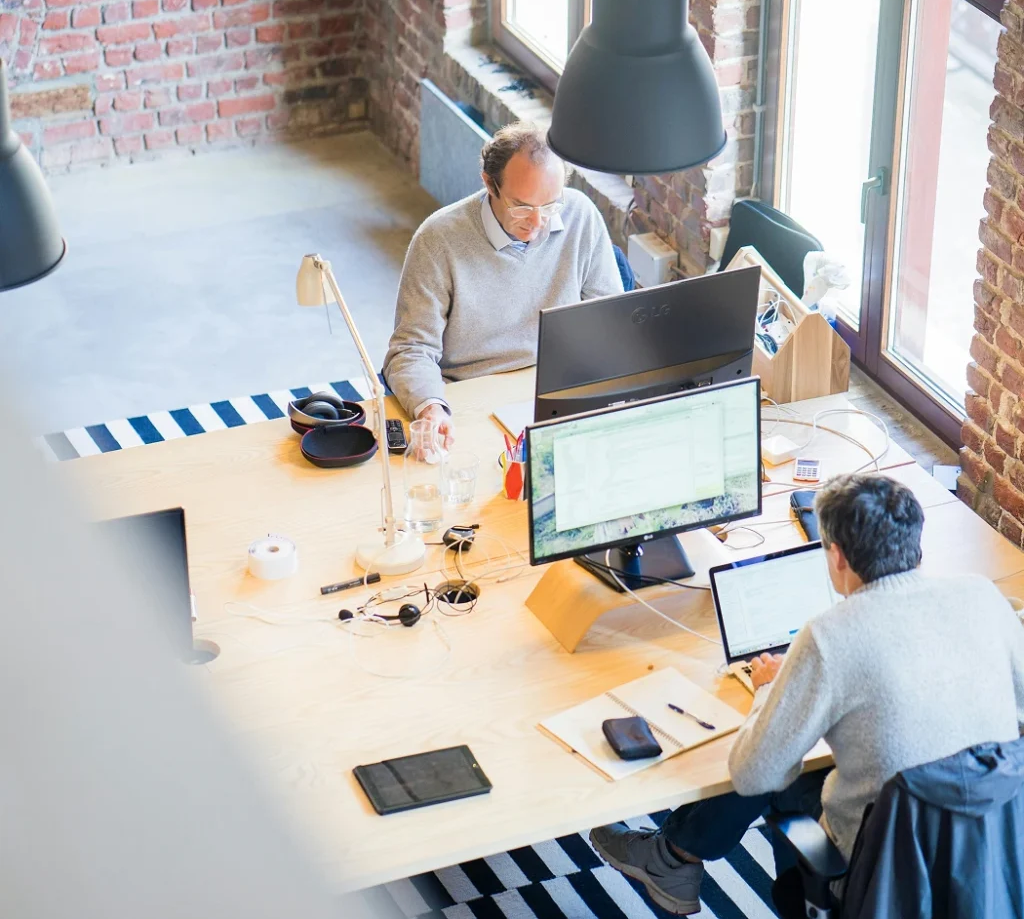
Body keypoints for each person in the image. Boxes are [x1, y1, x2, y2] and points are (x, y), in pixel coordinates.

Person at [589, 473, 1024, 915]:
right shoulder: (983, 596)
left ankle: (672, 858)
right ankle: (673, 856)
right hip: (991, 859)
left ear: (836, 555)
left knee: (777, 757)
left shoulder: (831, 635)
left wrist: (769, 691)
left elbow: (754, 775)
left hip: (880, 877)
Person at [382, 122, 623, 447]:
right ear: (489, 184)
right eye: (522, 206)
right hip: (469, 395)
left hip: (555, 388)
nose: (537, 223)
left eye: (550, 206)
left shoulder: (580, 214)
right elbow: (410, 350)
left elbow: (609, 321)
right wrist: (431, 408)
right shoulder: (437, 240)